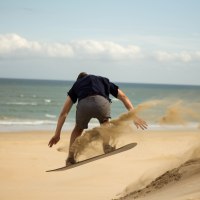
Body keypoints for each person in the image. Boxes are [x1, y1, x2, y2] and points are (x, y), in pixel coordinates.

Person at [48, 72, 147, 165]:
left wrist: (57, 134)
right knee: (105, 123)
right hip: (101, 104)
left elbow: (64, 113)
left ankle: (70, 158)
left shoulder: (77, 85)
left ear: (79, 80)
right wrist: (134, 115)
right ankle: (106, 146)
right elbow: (123, 97)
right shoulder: (103, 80)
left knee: (77, 130)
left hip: (84, 106)